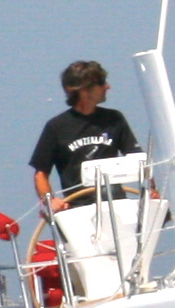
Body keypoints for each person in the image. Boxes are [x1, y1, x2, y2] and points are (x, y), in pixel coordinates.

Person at [30, 61, 144, 213]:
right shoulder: (56, 127)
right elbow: (41, 175)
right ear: (84, 90)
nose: (107, 87)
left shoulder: (115, 119)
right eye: (101, 83)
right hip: (78, 211)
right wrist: (50, 200)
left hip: (116, 205)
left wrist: (152, 190)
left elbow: (138, 160)